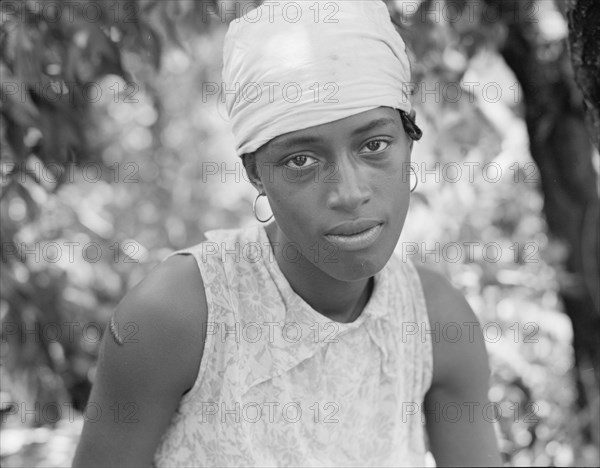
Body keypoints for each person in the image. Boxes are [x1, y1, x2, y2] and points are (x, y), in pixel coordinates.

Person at [72, 1, 502, 466]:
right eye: (301, 160)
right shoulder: (175, 317)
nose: (349, 192)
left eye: (374, 145)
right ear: (256, 172)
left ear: (409, 141)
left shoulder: (437, 323)